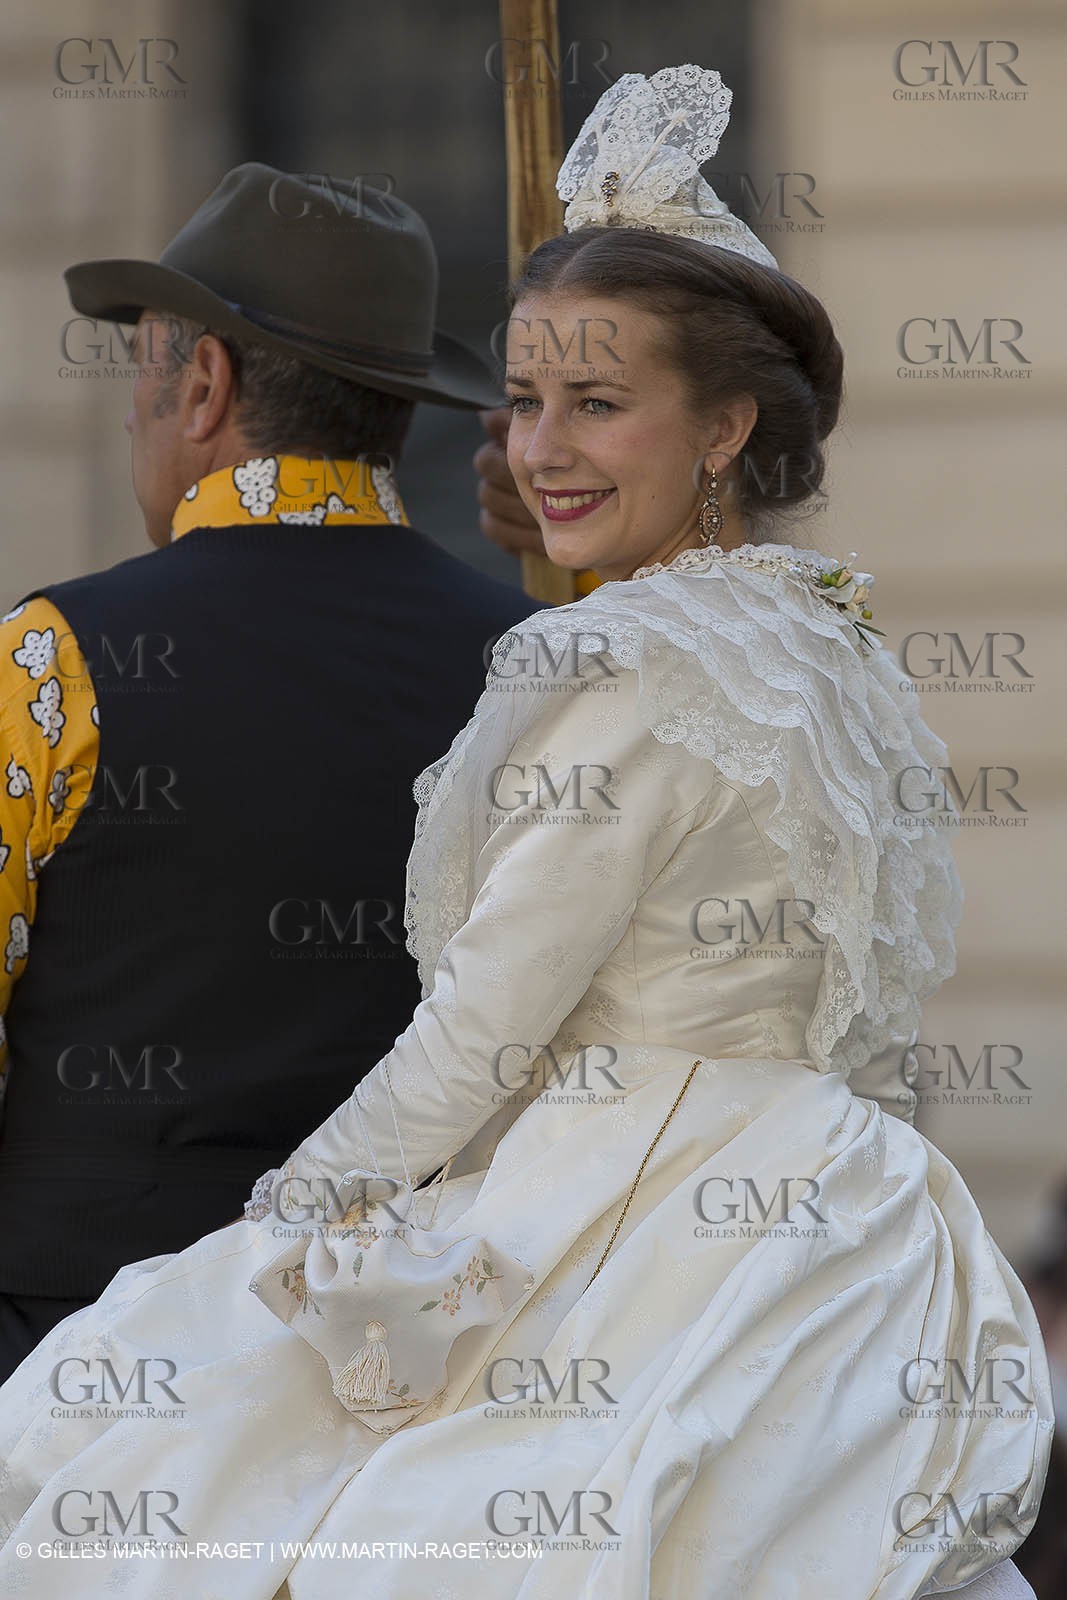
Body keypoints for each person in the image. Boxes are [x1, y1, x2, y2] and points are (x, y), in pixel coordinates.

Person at [0, 69, 1050, 1600]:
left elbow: (481, 1036)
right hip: (823, 1233)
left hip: (606, 1234)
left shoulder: (607, 663)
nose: (539, 446)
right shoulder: (814, 643)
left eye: (596, 404)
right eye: (524, 398)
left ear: (726, 426)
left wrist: (276, 1234)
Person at [0, 162, 533, 1381]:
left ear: (203, 385)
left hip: (76, 1372)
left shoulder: (54, 656)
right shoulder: (525, 670)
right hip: (405, 1384)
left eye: (142, 377)